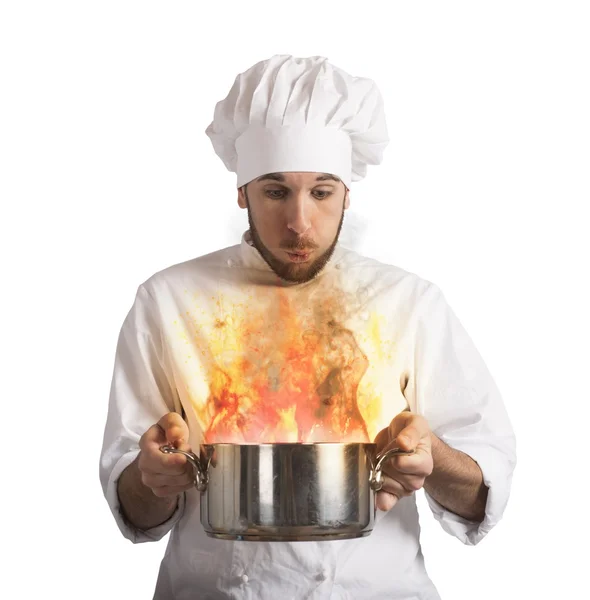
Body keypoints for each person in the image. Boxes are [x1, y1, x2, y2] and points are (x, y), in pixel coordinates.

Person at [99, 54, 517, 600]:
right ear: (242, 194)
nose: (299, 222)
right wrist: (151, 476)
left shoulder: (407, 302)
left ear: (348, 194)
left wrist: (431, 458)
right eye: (275, 192)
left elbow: (482, 493)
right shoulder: (169, 300)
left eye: (321, 192)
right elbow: (135, 508)